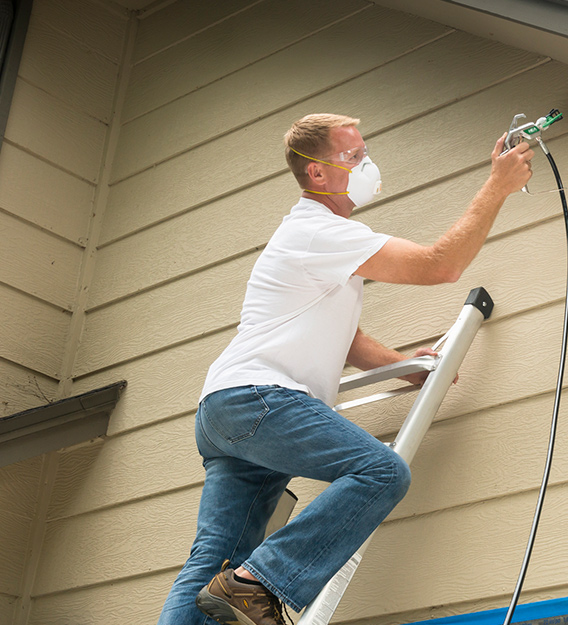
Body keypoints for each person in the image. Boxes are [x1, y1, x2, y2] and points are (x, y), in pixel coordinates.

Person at [156, 113, 533, 625]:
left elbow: (346, 339)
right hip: (260, 399)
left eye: (364, 152)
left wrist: (403, 367)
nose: (367, 165)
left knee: (213, 560)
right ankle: (258, 583)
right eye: (353, 157)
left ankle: (241, 581)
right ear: (317, 173)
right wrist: (498, 186)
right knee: (380, 470)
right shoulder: (318, 230)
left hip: (226, 409)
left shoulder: (309, 240)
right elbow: (439, 265)